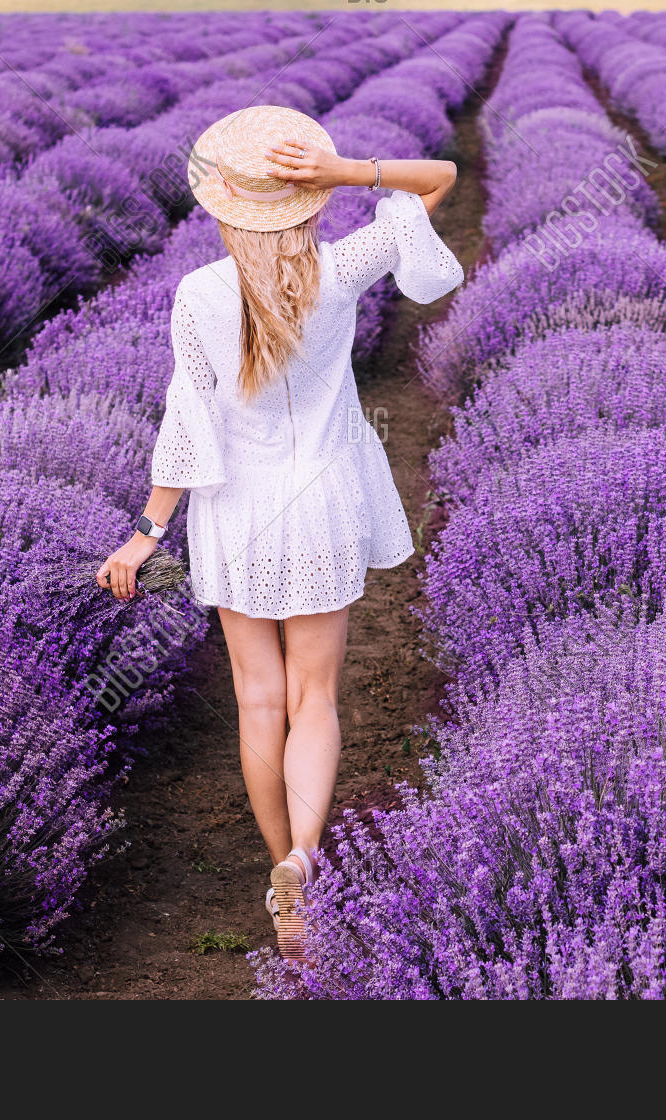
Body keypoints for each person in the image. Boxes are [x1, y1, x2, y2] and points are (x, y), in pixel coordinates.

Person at [96, 105, 462, 960]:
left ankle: (278, 867)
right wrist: (344, 173)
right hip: (326, 508)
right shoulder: (339, 272)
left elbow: (187, 422)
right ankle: (306, 854)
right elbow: (440, 177)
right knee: (315, 699)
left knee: (259, 700)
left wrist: (147, 533)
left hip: (238, 518)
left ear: (225, 208)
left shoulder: (198, 295)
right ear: (306, 201)